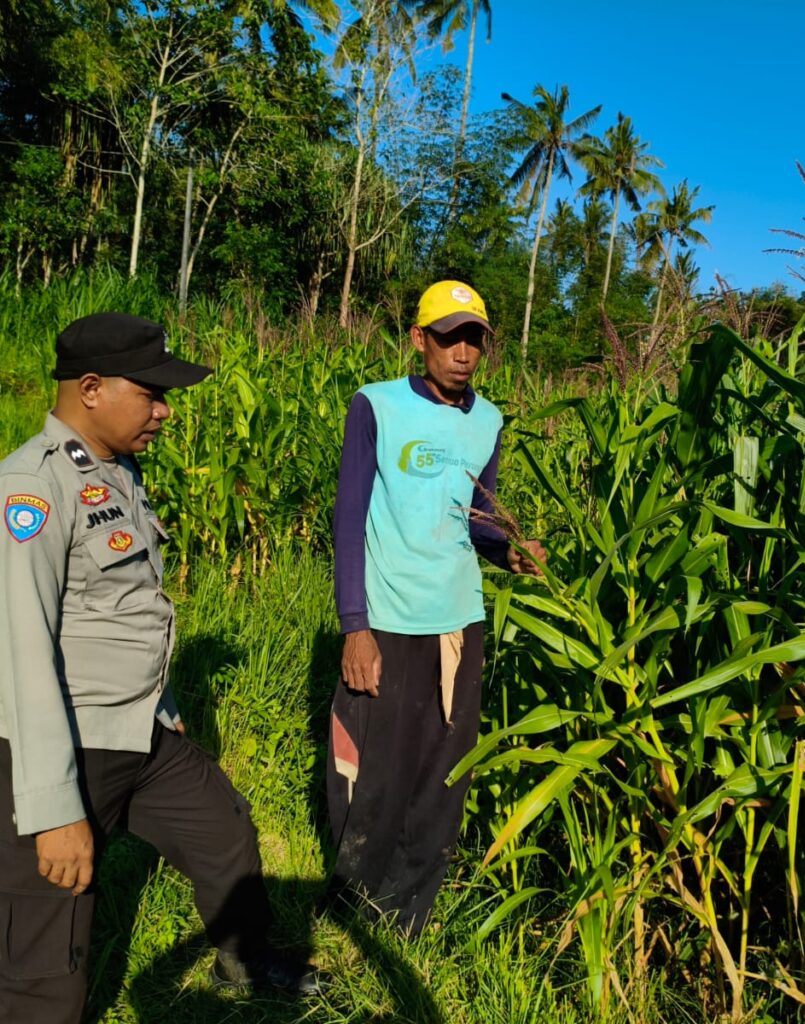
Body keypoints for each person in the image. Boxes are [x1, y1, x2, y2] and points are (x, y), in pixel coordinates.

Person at [0, 313, 319, 1023]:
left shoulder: (115, 471)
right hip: (65, 743)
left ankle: (245, 961)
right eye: (151, 393)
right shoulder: (30, 488)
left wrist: (164, 705)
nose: (165, 410)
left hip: (142, 728)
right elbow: (20, 651)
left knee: (224, 831)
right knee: (49, 953)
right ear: (90, 388)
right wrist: (54, 810)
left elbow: (131, 608)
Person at [328, 280, 547, 936]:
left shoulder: (489, 421)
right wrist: (354, 626)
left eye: (474, 338)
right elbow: (349, 518)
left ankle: (408, 917)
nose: (462, 352)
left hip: (458, 623)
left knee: (440, 777)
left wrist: (506, 547)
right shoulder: (376, 406)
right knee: (372, 772)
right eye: (449, 336)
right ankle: (351, 908)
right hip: (388, 621)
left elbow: (478, 516)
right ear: (420, 339)